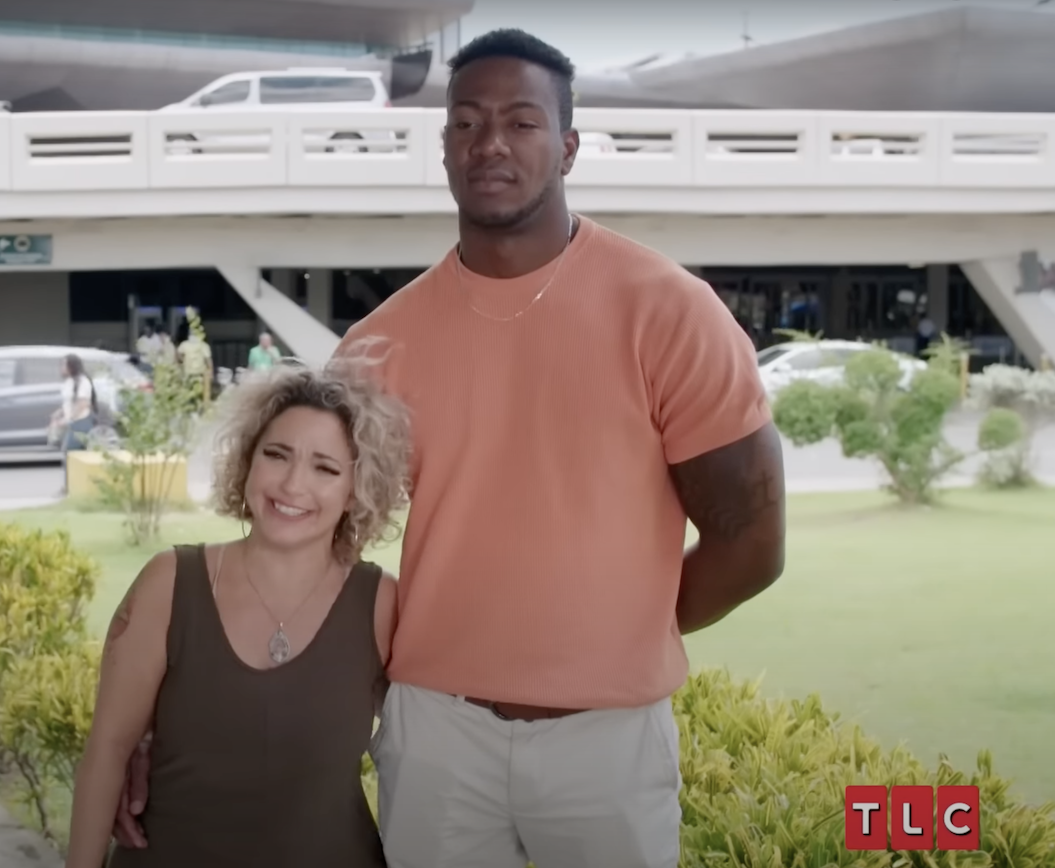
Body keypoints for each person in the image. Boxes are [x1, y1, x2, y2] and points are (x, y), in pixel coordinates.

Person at [115, 28, 786, 868]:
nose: (490, 143)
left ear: (568, 145)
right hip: (435, 734)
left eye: (521, 121)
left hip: (608, 746)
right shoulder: (379, 345)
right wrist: (168, 719)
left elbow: (752, 542)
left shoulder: (670, 311)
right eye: (465, 123)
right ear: (443, 148)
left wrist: (622, 633)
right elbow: (301, 550)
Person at [65, 358, 412, 868]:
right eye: (277, 455)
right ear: (248, 460)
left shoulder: (381, 605)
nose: (293, 485)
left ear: (356, 490)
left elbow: (432, 755)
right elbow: (107, 753)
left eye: (325, 467)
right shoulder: (170, 582)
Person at [52, 353, 97, 495]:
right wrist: (59, 412)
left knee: (69, 453)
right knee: (78, 455)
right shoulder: (69, 382)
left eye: (64, 365)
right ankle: (80, 487)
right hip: (72, 421)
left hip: (81, 422)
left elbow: (83, 404)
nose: (62, 368)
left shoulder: (83, 382)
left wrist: (68, 419)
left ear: (72, 366)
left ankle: (68, 487)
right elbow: (68, 402)